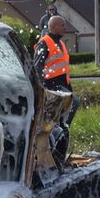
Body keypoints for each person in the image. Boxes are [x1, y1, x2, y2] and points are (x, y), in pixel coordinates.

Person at [33, 15, 79, 169]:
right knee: (70, 108)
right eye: (62, 25)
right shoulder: (44, 43)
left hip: (62, 87)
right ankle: (57, 137)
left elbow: (63, 69)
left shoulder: (60, 43)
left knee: (72, 106)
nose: (65, 28)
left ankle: (61, 133)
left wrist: (70, 88)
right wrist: (41, 90)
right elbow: (37, 69)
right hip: (51, 88)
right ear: (52, 27)